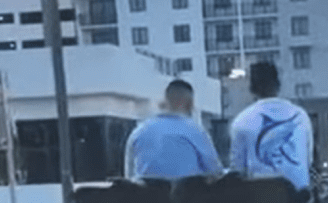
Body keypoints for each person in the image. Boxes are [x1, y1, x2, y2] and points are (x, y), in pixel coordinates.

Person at [229, 62, 314, 192]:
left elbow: (238, 171)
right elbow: (307, 160)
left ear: (252, 89)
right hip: (298, 198)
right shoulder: (300, 116)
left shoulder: (241, 121)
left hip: (260, 200)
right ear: (278, 85)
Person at [124, 79, 224, 181]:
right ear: (190, 104)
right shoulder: (196, 131)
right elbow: (215, 171)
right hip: (186, 195)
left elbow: (129, 176)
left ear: (165, 102)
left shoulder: (139, 131)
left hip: (146, 195)